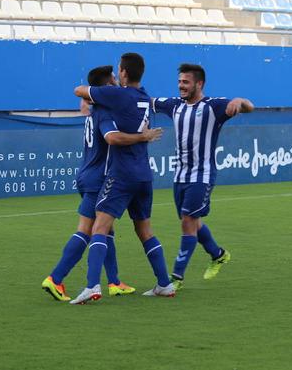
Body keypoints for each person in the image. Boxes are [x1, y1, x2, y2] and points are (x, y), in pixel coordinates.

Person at [42, 65, 163, 301]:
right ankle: (56, 278)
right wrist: (143, 136)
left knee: (105, 229)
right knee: (88, 230)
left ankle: (115, 281)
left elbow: (85, 101)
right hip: (99, 177)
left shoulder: (92, 110)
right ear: (107, 86)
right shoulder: (105, 112)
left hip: (88, 172)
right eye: (114, 80)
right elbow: (111, 138)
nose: (118, 81)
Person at [70, 53, 175, 304]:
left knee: (99, 228)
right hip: (143, 175)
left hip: (122, 174)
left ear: (125, 74)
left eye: (119, 71)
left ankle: (92, 286)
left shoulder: (117, 94)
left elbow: (79, 90)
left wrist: (98, 90)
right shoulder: (144, 97)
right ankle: (165, 283)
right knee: (145, 231)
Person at [152, 63, 254, 290]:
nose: (181, 86)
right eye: (179, 82)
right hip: (180, 175)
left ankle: (175, 279)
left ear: (199, 84)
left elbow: (249, 106)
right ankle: (218, 254)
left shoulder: (213, 106)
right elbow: (144, 101)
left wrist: (240, 100)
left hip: (202, 174)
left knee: (188, 221)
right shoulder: (174, 105)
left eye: (186, 82)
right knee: (192, 221)